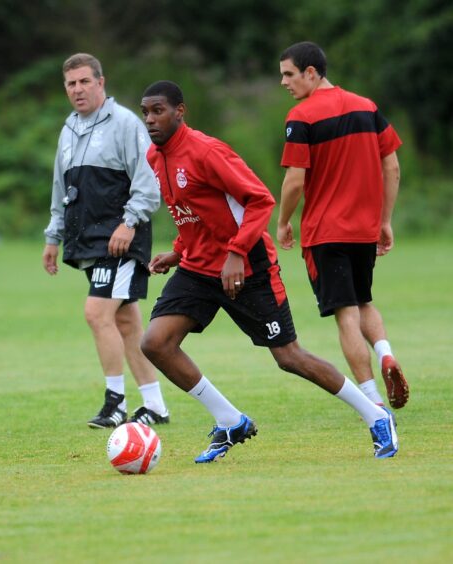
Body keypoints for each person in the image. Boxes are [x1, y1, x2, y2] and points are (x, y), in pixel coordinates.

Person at [138, 80, 398, 463]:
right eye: (145, 112)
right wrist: (178, 253)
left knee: (289, 357)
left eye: (158, 110)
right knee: (155, 343)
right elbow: (194, 214)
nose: (150, 119)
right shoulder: (154, 157)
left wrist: (236, 253)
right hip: (199, 268)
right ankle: (230, 421)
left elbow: (260, 200)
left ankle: (377, 417)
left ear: (180, 111)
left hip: (249, 266)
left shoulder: (207, 152)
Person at [277, 41, 409, 410]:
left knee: (345, 313)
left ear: (311, 73)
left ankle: (371, 402)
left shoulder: (301, 117)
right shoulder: (367, 108)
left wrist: (284, 221)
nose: (284, 82)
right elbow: (393, 167)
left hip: (325, 232)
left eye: (289, 74)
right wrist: (384, 220)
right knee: (364, 300)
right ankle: (385, 353)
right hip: (364, 229)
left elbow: (295, 180)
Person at [43, 53, 169, 428]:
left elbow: (149, 183)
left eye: (84, 81)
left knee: (97, 314)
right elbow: (60, 189)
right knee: (127, 322)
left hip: (120, 241)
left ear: (101, 82)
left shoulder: (127, 123)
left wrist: (128, 223)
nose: (77, 89)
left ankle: (115, 402)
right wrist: (54, 236)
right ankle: (156, 405)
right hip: (88, 240)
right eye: (71, 84)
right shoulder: (68, 130)